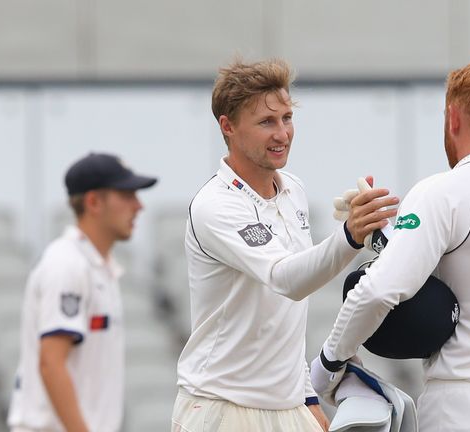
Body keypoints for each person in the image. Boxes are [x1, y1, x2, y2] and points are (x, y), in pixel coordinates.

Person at [312, 61, 470, 431]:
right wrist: (384, 237)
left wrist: (328, 363)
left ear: (452, 118)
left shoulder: (445, 190)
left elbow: (378, 290)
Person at [171, 58, 398, 432]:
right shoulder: (216, 205)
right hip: (220, 407)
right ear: (227, 127)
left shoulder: (293, 189)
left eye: (287, 118)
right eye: (266, 122)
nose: (282, 134)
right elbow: (287, 280)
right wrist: (350, 236)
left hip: (287, 405)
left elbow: (284, 319)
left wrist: (307, 396)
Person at [7, 153, 158, 432]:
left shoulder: (95, 267)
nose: (139, 206)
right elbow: (51, 363)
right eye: (126, 195)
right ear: (93, 202)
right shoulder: (67, 264)